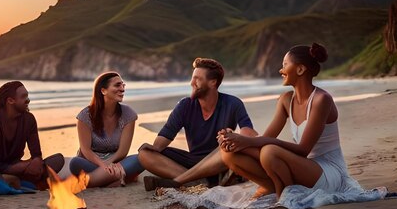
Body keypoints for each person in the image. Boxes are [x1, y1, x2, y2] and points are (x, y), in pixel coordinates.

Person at [218, 43, 349, 200]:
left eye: (285, 64)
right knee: (229, 152)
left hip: (328, 172)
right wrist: (233, 139)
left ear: (300, 69)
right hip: (303, 166)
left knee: (270, 151)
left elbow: (303, 150)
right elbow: (265, 139)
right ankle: (273, 187)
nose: (281, 70)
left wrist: (246, 140)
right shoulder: (286, 100)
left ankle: (286, 193)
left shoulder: (322, 100)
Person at [139, 58, 257, 191]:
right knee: (144, 154)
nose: (191, 83)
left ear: (213, 82)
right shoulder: (185, 105)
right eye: (192, 78)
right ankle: (197, 182)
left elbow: (249, 133)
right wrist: (153, 149)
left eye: (197, 79)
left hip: (220, 159)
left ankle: (180, 181)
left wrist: (233, 137)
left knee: (228, 145)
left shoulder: (233, 103)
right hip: (193, 162)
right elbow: (165, 137)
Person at [0, 81, 64, 193]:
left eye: (27, 96)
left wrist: (36, 161)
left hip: (18, 169)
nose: (28, 100)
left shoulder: (29, 120)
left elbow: (36, 154)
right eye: (23, 97)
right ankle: (16, 182)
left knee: (58, 160)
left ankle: (14, 183)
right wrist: (24, 166)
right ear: (10, 101)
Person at [69, 72, 144, 187]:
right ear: (103, 91)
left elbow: (123, 151)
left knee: (141, 158)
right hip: (91, 163)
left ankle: (94, 181)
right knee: (74, 163)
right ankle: (116, 178)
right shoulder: (85, 116)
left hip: (116, 162)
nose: (122, 89)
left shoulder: (128, 114)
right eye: (117, 85)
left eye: (123, 85)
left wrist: (109, 164)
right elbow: (86, 150)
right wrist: (103, 165)